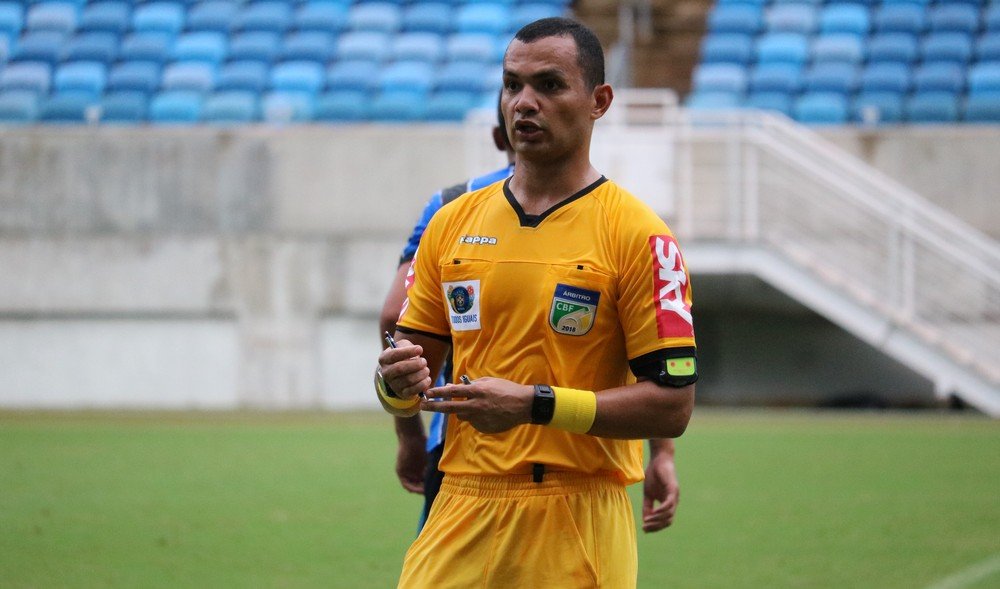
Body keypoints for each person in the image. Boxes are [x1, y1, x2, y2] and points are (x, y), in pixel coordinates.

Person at [375, 17, 696, 588]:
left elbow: (673, 405)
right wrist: (395, 389)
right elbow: (406, 375)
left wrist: (535, 405)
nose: (523, 103)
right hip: (460, 507)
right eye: (512, 85)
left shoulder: (640, 236)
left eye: (549, 85)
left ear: (599, 101)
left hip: (576, 516)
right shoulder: (451, 224)